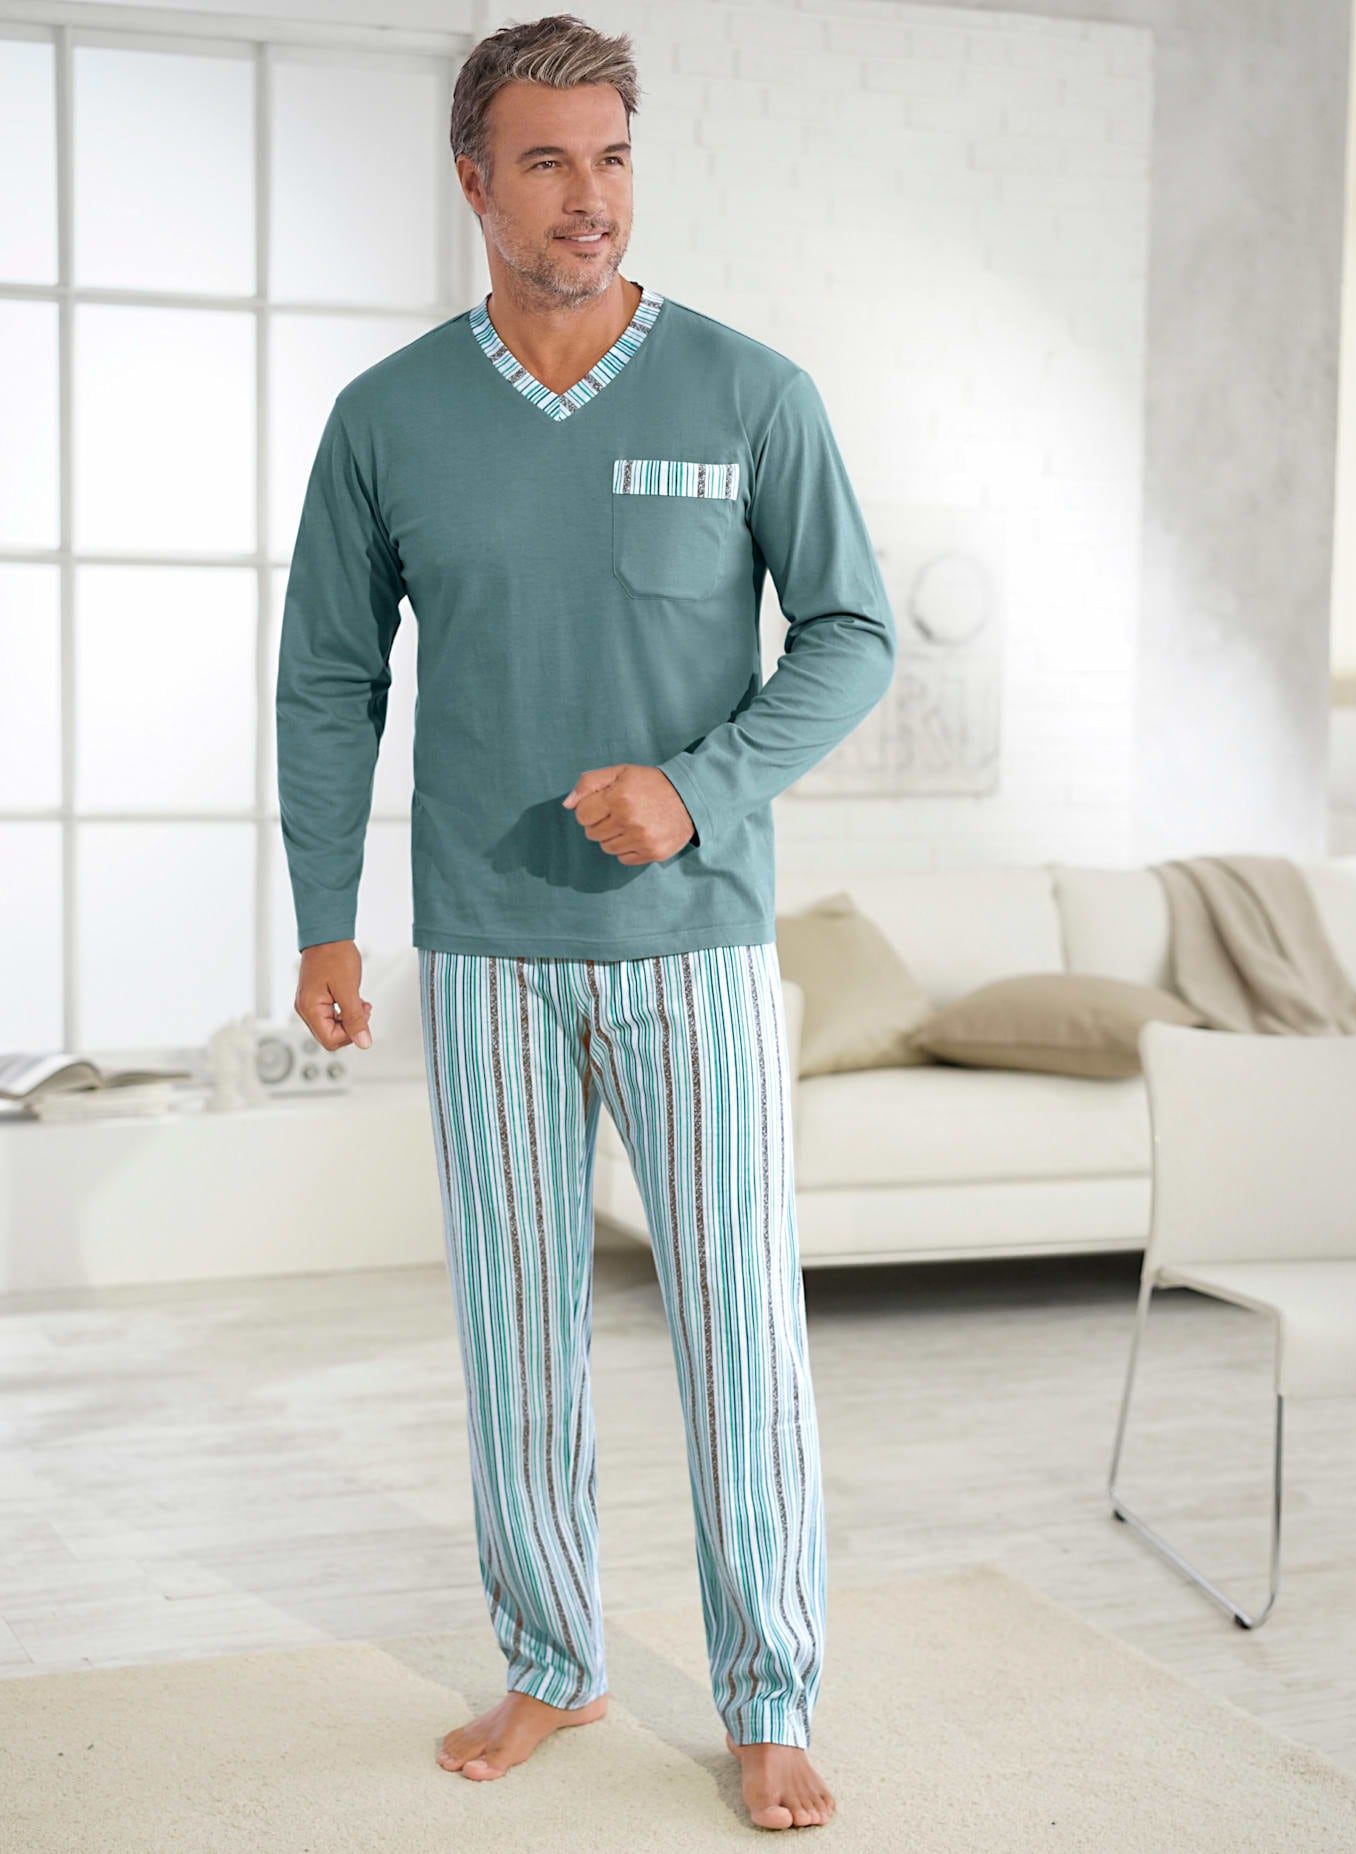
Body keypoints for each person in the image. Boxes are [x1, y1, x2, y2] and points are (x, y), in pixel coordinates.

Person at [275, 11, 895, 1833]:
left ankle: (770, 1690)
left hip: (696, 951)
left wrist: (703, 785)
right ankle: (554, 1657)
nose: (589, 197)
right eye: (547, 161)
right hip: (481, 954)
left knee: (738, 1330)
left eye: (612, 158)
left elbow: (852, 633)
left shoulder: (751, 392)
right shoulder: (388, 418)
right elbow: (329, 682)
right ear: (475, 180)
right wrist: (326, 917)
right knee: (517, 1329)